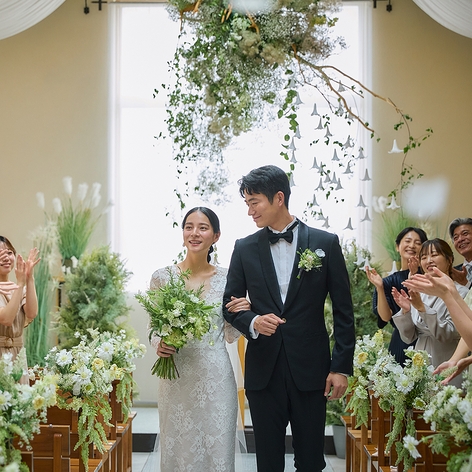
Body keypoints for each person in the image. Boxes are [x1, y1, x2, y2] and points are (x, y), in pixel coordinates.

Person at [222, 165, 355, 472]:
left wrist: (340, 367)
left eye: (254, 202)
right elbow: (230, 305)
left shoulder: (325, 243)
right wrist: (254, 321)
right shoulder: (244, 248)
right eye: (247, 204)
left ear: (279, 198)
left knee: (311, 460)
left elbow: (343, 311)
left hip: (311, 370)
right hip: (263, 371)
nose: (250, 211)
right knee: (268, 462)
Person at [148, 207, 249, 472]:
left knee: (217, 452)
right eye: (189, 227)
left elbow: (230, 335)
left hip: (216, 379)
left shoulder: (229, 279)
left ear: (216, 236)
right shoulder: (162, 277)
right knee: (179, 451)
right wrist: (159, 343)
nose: (194, 233)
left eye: (203, 228)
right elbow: (153, 328)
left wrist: (244, 311)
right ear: (182, 233)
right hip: (176, 377)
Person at [392, 238, 467, 387]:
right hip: (420, 360)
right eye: (424, 257)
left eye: (434, 255)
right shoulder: (420, 292)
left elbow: (447, 334)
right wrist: (407, 310)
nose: (429, 260)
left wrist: (422, 309)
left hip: (447, 358)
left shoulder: (460, 293)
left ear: (449, 260)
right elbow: (408, 337)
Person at [365, 227, 427, 365]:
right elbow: (385, 317)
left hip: (428, 340)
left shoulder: (428, 277)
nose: (412, 245)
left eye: (417, 243)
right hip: (401, 342)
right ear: (398, 247)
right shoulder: (388, 282)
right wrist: (380, 288)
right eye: (408, 241)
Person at [403, 268, 472, 384]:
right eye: (424, 258)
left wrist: (447, 295)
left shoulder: (462, 291)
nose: (429, 261)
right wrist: (454, 359)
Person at [0, 236, 40, 383]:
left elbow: (32, 313)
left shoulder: (18, 286)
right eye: (0, 253)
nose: (6, 257)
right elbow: (6, 319)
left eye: (9, 252)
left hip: (18, 356)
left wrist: (29, 278)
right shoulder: (18, 285)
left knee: (20, 395)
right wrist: (20, 283)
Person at [449, 217, 472, 286]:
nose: (460, 239)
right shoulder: (454, 273)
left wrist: (466, 284)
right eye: (456, 237)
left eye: (465, 233)